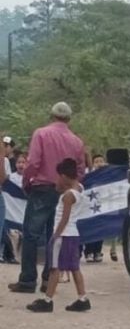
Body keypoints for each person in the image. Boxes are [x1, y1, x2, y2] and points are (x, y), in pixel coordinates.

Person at [9, 101, 85, 294]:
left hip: (42, 188)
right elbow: (80, 170)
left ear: (51, 116)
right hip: (63, 192)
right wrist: (73, 189)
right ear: (69, 119)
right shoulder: (77, 141)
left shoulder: (41, 133)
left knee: (31, 234)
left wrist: (27, 182)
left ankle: (27, 280)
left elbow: (33, 162)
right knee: (56, 235)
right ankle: (47, 281)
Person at [26, 159, 90, 313]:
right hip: (73, 234)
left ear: (64, 175)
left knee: (55, 267)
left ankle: (47, 300)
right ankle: (82, 298)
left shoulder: (68, 195)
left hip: (63, 234)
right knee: (74, 267)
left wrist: (56, 235)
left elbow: (64, 217)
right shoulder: (79, 189)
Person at [82, 154, 107, 263]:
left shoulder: (107, 175)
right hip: (89, 206)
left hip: (101, 207)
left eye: (101, 161)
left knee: (100, 229)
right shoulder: (88, 174)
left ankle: (98, 252)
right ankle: (89, 252)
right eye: (96, 161)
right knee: (90, 228)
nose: (99, 163)